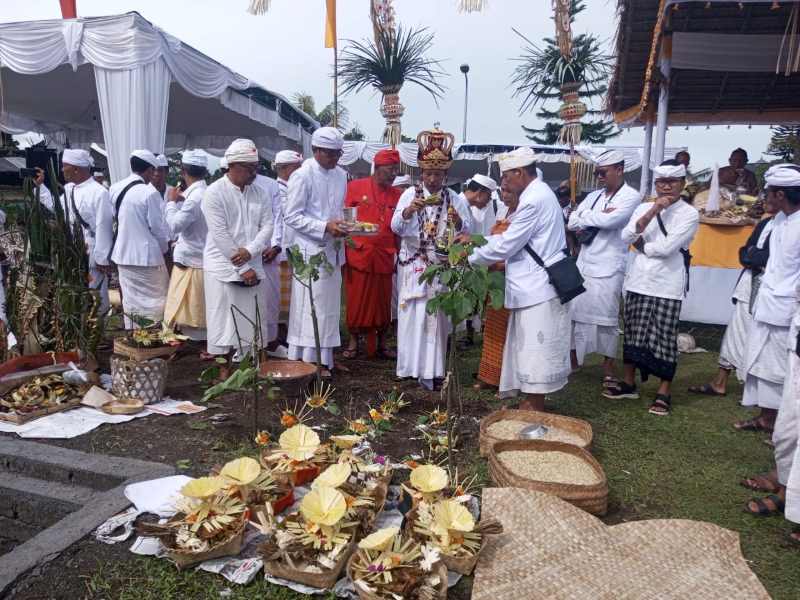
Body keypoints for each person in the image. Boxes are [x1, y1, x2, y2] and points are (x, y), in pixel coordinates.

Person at [468, 147, 570, 411]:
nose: (503, 183)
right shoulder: (538, 194)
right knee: (526, 347)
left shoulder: (535, 199)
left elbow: (507, 245)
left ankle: (534, 405)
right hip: (531, 284)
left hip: (538, 286)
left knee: (536, 350)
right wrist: (475, 241)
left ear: (520, 172)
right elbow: (507, 239)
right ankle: (530, 400)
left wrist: (468, 256)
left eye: (505, 177)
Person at [604, 161, 699, 416]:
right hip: (638, 280)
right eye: (661, 182)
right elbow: (626, 237)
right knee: (633, 331)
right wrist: (652, 212)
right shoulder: (644, 207)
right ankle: (628, 382)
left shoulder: (689, 214)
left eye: (672, 181)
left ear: (681, 184)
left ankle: (663, 392)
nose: (666, 186)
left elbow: (667, 248)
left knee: (664, 337)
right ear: (655, 184)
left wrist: (644, 246)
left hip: (667, 284)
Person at [392, 128, 472, 390]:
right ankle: (408, 369)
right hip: (414, 262)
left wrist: (457, 220)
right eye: (428, 173)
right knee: (411, 314)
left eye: (438, 174)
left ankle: (433, 370)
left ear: (445, 175)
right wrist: (407, 212)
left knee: (436, 317)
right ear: (422, 174)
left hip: (439, 265)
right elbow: (395, 227)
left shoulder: (454, 198)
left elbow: (467, 231)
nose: (433, 178)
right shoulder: (409, 195)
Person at [689, 194, 778, 397]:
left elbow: (771, 257)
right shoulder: (765, 223)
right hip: (749, 284)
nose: (766, 200)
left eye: (772, 195)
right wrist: (755, 257)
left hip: (771, 289)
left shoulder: (791, 227)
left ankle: (757, 391)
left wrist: (755, 256)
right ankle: (720, 382)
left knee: (764, 339)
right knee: (735, 332)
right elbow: (744, 252)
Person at [567, 150, 641, 385]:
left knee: (607, 317)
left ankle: (607, 364)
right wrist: (596, 214)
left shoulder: (631, 196)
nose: (599, 177)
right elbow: (571, 220)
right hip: (585, 263)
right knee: (575, 314)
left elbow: (613, 221)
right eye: (597, 172)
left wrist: (586, 216)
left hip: (609, 265)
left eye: (603, 172)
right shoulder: (595, 197)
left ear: (619, 170)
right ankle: (574, 359)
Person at [202, 139, 273, 374]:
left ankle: (256, 368)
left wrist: (251, 251)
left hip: (253, 262)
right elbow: (220, 234)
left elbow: (268, 225)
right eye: (249, 168)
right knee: (222, 321)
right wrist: (243, 268)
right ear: (233, 166)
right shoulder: (214, 193)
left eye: (256, 167)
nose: (254, 173)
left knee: (255, 317)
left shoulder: (260, 192)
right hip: (222, 267)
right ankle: (224, 371)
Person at [739, 164, 800, 435]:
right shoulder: (779, 221)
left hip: (787, 309)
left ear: (780, 195)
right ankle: (767, 418)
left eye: (768, 192)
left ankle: (783, 427)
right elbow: (753, 254)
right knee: (762, 363)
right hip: (768, 302)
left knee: (781, 370)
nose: (764, 197)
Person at [284, 127, 349, 373]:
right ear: (315, 151)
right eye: (330, 154)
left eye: (338, 154)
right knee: (312, 305)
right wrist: (324, 226)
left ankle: (326, 358)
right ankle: (308, 360)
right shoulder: (302, 175)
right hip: (310, 249)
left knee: (330, 307)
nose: (335, 159)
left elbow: (337, 209)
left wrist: (344, 224)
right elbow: (292, 216)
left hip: (334, 248)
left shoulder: (341, 174)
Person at [343, 149, 402, 359]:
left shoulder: (399, 195)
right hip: (359, 254)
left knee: (383, 301)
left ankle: (383, 343)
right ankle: (352, 342)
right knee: (356, 299)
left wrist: (399, 255)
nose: (394, 173)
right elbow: (347, 222)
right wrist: (350, 245)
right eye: (390, 169)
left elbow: (400, 229)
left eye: (396, 169)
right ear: (377, 168)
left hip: (385, 255)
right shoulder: (354, 187)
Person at [110, 150, 170, 328]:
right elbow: (158, 229)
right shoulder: (149, 193)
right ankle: (153, 339)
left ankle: (134, 335)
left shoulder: (115, 188)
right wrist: (165, 250)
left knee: (131, 300)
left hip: (123, 254)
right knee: (156, 299)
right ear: (151, 170)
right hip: (147, 257)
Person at [60, 149, 114, 314]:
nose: (62, 170)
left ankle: (98, 331)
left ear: (76, 169)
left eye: (65, 166)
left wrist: (102, 258)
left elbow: (104, 226)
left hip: (91, 249)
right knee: (76, 290)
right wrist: (40, 189)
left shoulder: (99, 192)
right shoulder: (70, 189)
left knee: (95, 291)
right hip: (71, 248)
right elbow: (57, 207)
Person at [163, 149, 209, 342]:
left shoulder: (194, 198)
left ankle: (195, 342)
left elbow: (174, 226)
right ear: (205, 172)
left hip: (192, 258)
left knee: (193, 309)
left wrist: (171, 203)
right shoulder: (204, 192)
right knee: (193, 307)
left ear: (183, 171)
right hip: (198, 257)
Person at [474, 186, 516, 390]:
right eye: (504, 191)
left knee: (510, 331)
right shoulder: (502, 211)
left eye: (510, 192)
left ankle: (507, 379)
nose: (505, 195)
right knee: (492, 329)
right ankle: (489, 376)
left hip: (513, 280)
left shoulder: (523, 216)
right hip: (494, 279)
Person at [460, 174, 499, 346]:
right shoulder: (459, 203)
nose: (488, 202)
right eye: (488, 197)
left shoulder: (466, 206)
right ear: (480, 193)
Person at [273, 150, 304, 349]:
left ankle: (290, 335)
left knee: (293, 298)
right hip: (282, 251)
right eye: (296, 168)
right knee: (281, 301)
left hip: (295, 250)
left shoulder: (294, 188)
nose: (300, 171)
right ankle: (280, 338)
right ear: (283, 169)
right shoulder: (275, 189)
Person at [252, 163, 283, 348]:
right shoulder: (224, 188)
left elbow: (279, 217)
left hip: (268, 253)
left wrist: (276, 246)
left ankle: (270, 343)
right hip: (243, 255)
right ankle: (247, 346)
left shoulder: (270, 184)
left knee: (270, 299)